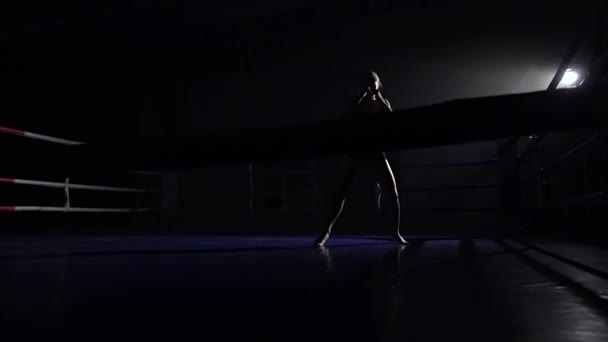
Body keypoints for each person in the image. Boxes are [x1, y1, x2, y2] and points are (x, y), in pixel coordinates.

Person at [315, 71, 407, 246]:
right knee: (342, 192)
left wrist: (379, 99)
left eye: (373, 83)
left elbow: (394, 120)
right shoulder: (355, 103)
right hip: (357, 151)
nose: (370, 86)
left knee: (392, 192)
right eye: (367, 83)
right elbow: (345, 118)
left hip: (377, 151)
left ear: (378, 84)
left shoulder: (383, 103)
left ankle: (396, 232)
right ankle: (326, 232)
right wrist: (361, 97)